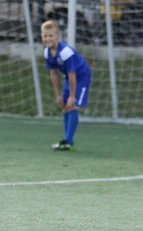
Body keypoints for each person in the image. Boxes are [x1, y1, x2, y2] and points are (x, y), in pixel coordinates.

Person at [41, 20, 92, 151]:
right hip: (69, 77)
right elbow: (53, 75)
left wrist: (72, 96)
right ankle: (66, 140)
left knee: (72, 105)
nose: (48, 38)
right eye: (45, 35)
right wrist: (58, 95)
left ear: (58, 36)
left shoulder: (65, 52)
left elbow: (72, 74)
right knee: (64, 106)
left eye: (51, 35)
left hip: (81, 76)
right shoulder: (47, 52)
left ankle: (68, 142)